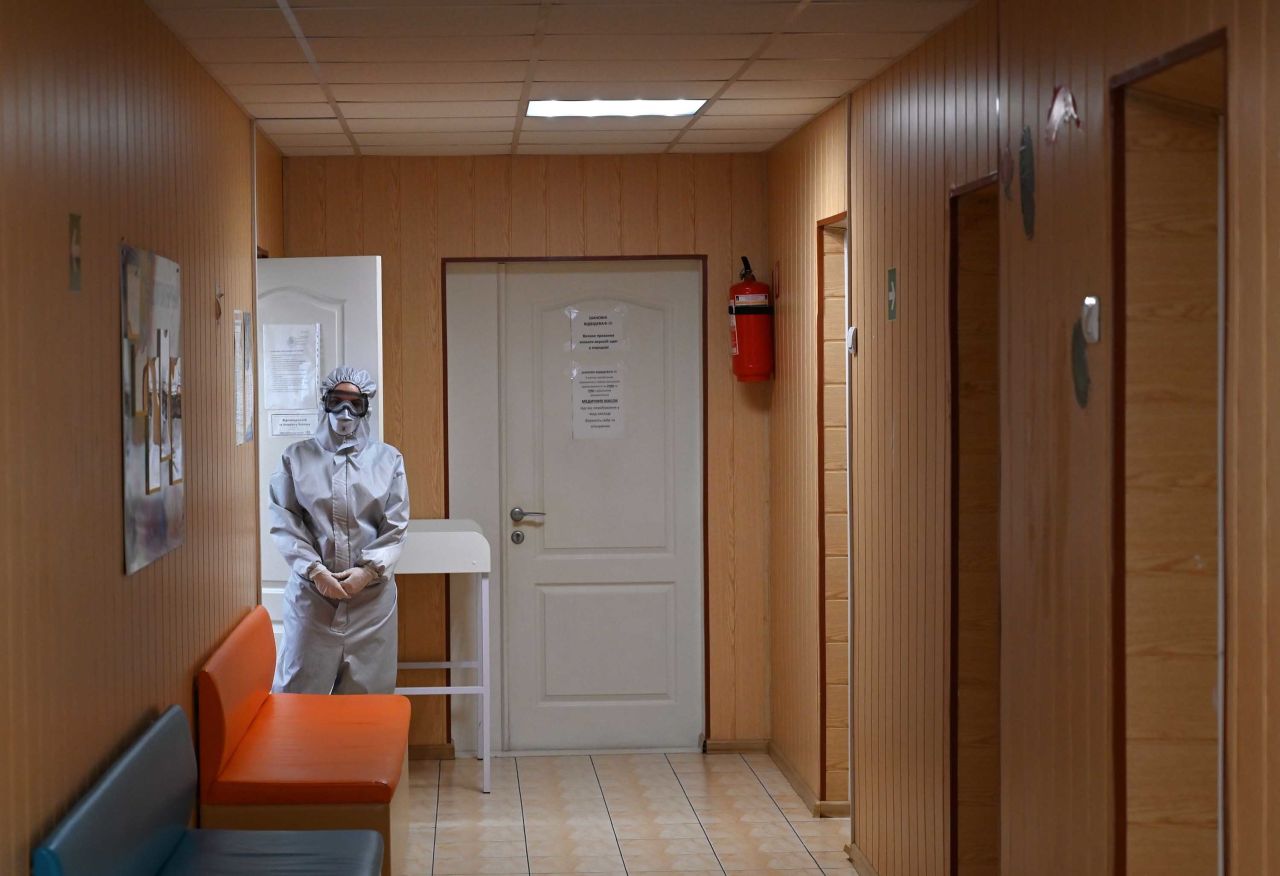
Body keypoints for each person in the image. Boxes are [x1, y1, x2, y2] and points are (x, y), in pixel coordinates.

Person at [268, 366, 409, 694]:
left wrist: (368, 571)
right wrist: (315, 571)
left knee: (366, 705)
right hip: (313, 601)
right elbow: (285, 522)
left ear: (365, 407)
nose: (345, 412)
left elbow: (396, 526)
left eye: (354, 403)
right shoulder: (296, 458)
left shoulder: (388, 460)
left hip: (371, 603)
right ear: (324, 403)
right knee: (298, 697)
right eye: (337, 401)